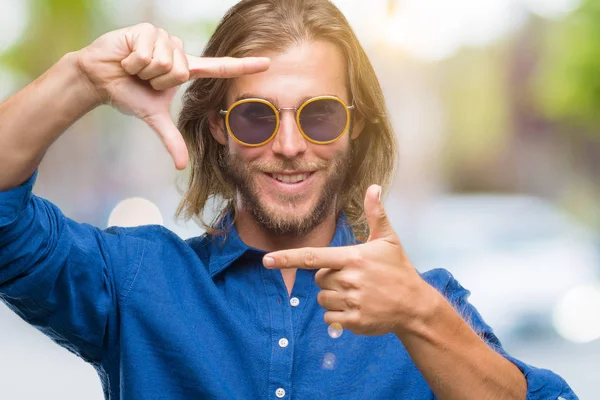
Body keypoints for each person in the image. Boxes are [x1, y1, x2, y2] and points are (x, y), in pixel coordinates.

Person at [0, 0, 577, 399]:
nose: (290, 146)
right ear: (219, 127)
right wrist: (81, 77)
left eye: (319, 115)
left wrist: (419, 314)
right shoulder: (138, 279)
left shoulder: (427, 305)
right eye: (255, 117)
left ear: (356, 126)